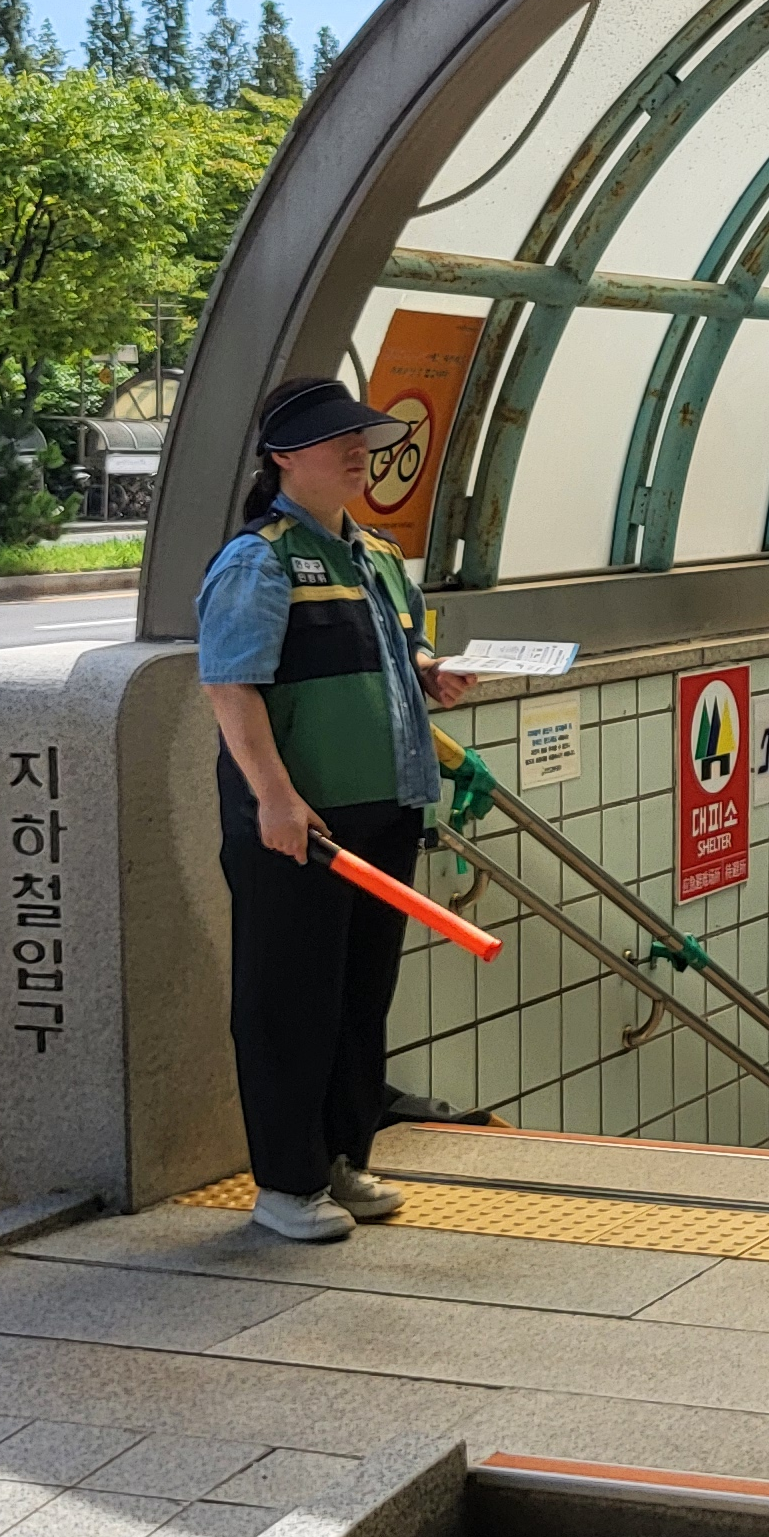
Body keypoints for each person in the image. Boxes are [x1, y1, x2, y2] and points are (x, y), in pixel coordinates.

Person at [197, 375, 478, 1242]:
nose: (360, 451)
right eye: (335, 440)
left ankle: (342, 1160)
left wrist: (430, 675)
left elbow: (400, 648)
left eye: (362, 437)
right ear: (284, 458)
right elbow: (229, 687)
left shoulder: (380, 555)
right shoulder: (260, 558)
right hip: (301, 828)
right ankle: (285, 1184)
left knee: (361, 993)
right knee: (289, 1000)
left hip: (384, 810)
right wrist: (275, 799)